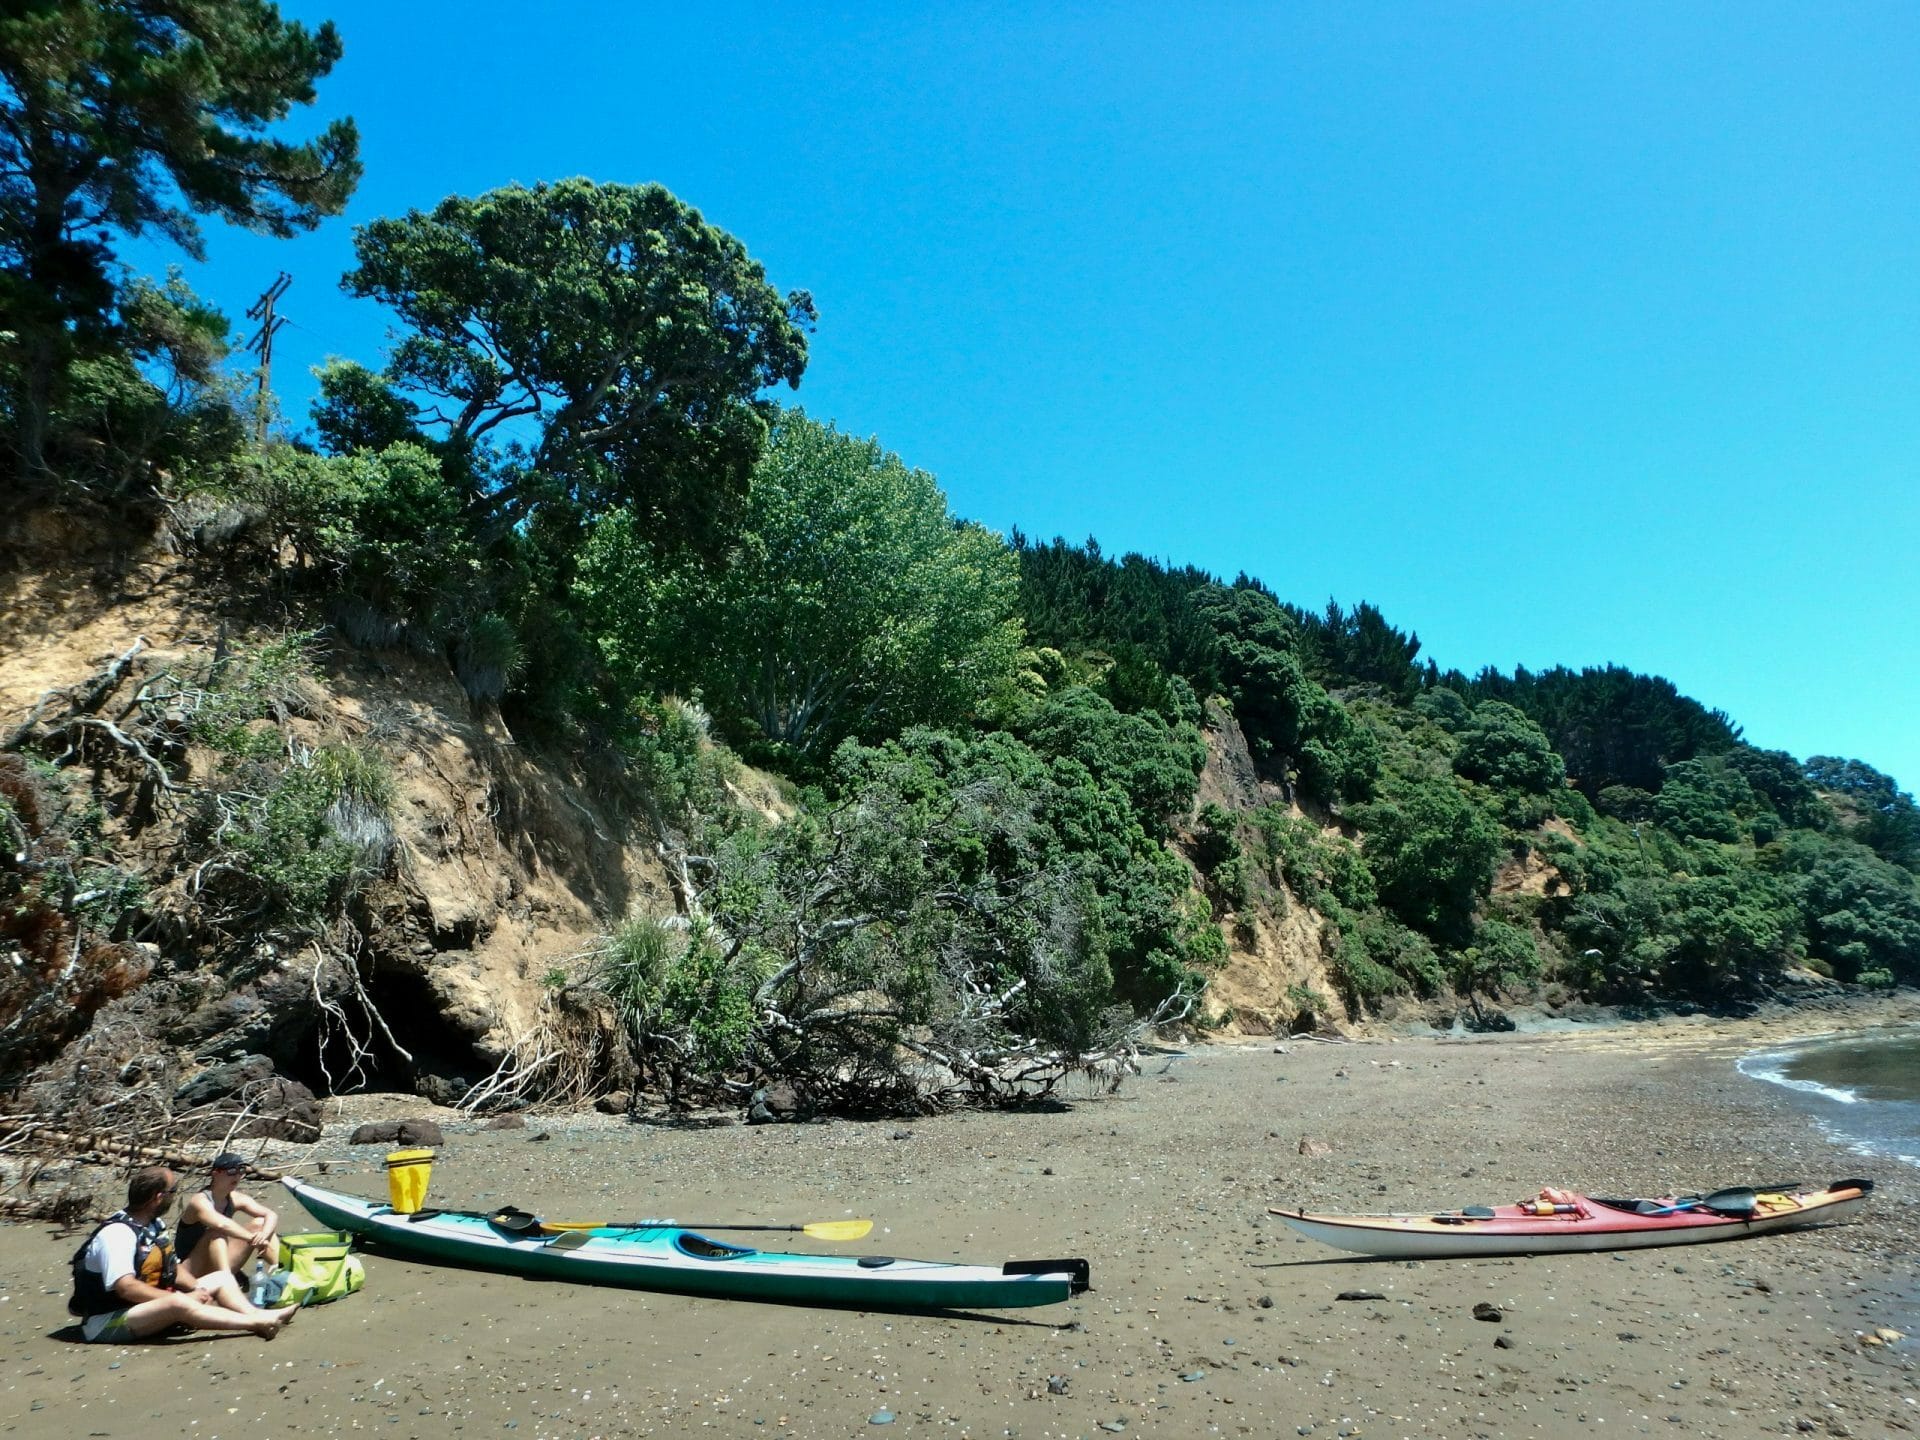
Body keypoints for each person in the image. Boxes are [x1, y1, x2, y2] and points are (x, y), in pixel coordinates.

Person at [70, 1166, 292, 1343]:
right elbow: (126, 1287)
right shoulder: (118, 1234)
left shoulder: (153, 1225)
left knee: (222, 1278)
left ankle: (256, 1314)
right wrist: (185, 1299)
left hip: (146, 1308)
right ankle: (253, 1323)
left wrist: (198, 1289)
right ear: (158, 1197)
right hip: (107, 1321)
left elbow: (172, 1268)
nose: (175, 1197)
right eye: (173, 1192)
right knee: (178, 1302)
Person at [176, 1152, 280, 1277]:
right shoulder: (200, 1201)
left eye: (241, 1170)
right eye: (231, 1171)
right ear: (215, 1173)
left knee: (260, 1223)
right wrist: (252, 1239)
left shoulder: (236, 1198)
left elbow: (271, 1214)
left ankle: (280, 1269)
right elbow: (221, 1224)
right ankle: (226, 1282)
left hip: (216, 1262)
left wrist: (263, 1236)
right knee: (216, 1233)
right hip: (190, 1270)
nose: (237, 1176)